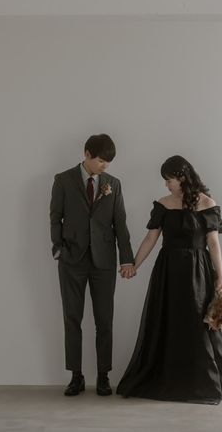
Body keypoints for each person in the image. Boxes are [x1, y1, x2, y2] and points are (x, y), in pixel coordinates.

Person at [116, 155, 222, 404]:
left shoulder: (207, 203)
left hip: (198, 271)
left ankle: (201, 381)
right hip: (168, 270)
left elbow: (213, 243)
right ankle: (169, 379)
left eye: (169, 180)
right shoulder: (163, 204)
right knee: (167, 320)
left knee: (198, 324)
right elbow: (151, 239)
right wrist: (134, 264)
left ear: (182, 178)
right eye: (166, 181)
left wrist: (221, 277)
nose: (166, 185)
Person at [50, 134, 136, 396]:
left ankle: (103, 376)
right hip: (71, 260)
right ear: (86, 154)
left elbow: (120, 223)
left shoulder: (113, 184)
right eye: (100, 161)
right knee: (72, 318)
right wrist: (58, 248)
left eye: (108, 162)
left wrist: (127, 258)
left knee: (104, 320)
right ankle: (76, 376)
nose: (104, 166)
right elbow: (55, 217)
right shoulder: (63, 180)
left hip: (104, 262)